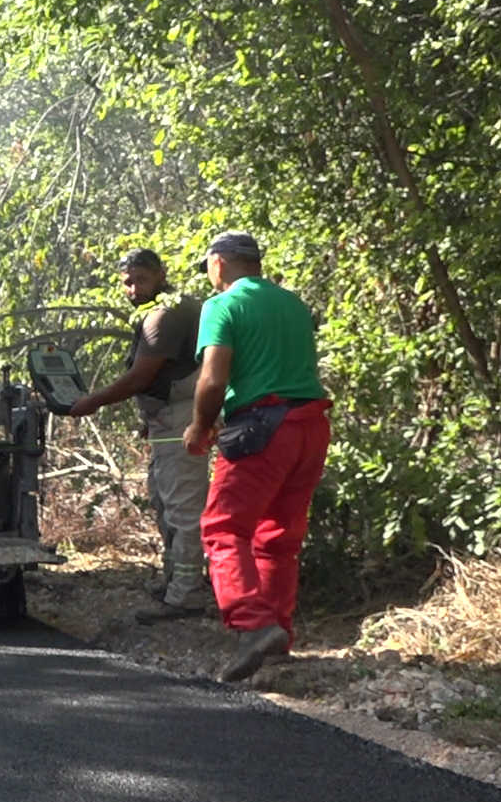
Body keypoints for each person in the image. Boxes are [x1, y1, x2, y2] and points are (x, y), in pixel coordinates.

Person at [181, 231, 331, 683]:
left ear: (220, 263)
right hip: (309, 427)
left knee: (224, 528)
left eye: (208, 264)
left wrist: (200, 427)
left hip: (260, 428)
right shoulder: (293, 304)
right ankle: (277, 638)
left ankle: (252, 623)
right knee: (278, 537)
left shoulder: (222, 305)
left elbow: (211, 379)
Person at [66, 249, 210, 622]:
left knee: (183, 509)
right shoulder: (167, 310)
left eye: (140, 280)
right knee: (167, 505)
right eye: (127, 282)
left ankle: (187, 595)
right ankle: (175, 583)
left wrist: (92, 402)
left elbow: (142, 375)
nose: (133, 289)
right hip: (167, 421)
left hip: (180, 423)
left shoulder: (164, 314)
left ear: (161, 274)